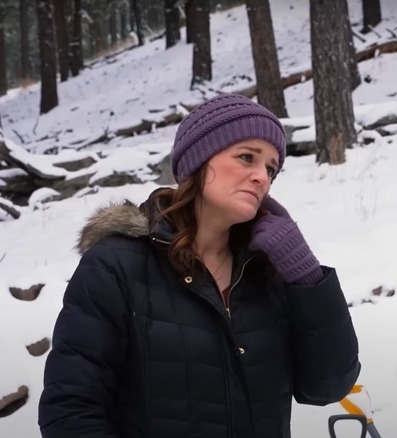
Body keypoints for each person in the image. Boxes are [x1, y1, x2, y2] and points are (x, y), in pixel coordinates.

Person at [38, 94, 361, 438]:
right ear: (198, 160)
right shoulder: (117, 264)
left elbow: (328, 386)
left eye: (271, 169)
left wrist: (306, 276)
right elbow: (71, 411)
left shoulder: (267, 271)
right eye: (246, 157)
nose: (262, 178)